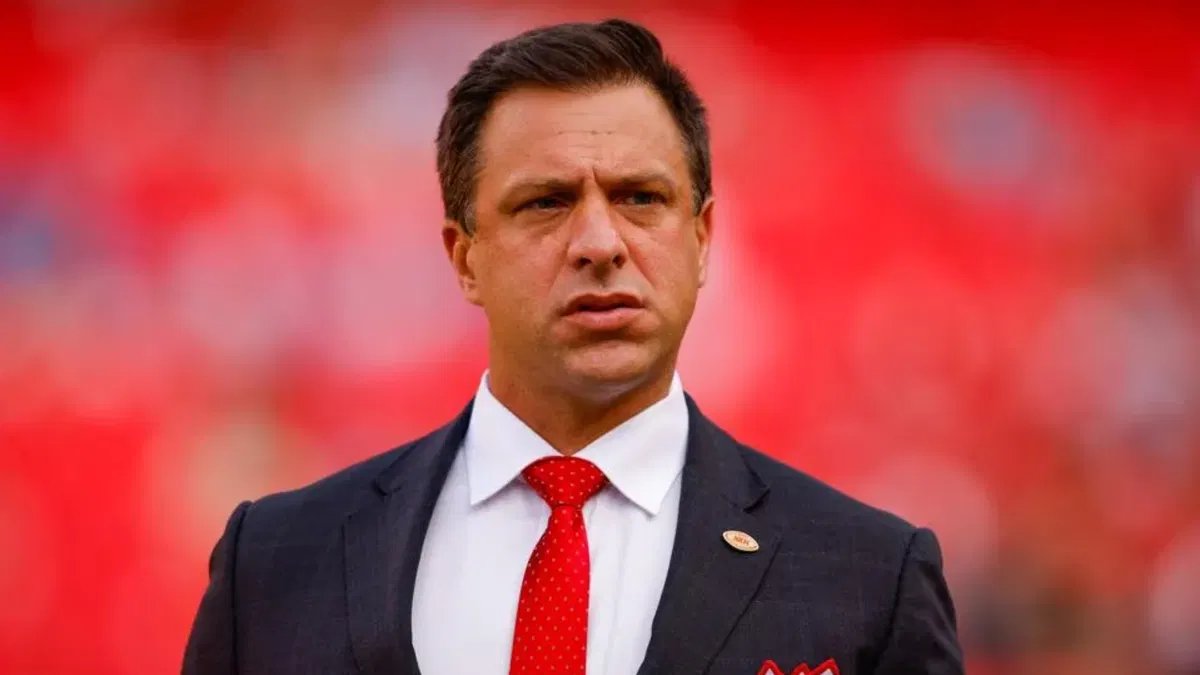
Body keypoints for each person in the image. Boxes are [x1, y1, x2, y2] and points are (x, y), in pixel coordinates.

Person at [183, 18, 963, 675]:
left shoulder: (869, 579)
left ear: (701, 239)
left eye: (640, 198)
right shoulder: (276, 562)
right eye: (546, 202)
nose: (599, 242)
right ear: (464, 257)